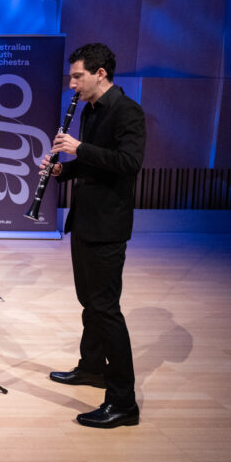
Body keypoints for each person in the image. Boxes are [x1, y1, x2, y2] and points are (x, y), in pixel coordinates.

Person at [43, 42, 145, 429]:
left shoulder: (127, 111)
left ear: (100, 73)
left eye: (77, 76)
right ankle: (91, 367)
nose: (72, 84)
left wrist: (79, 148)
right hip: (84, 219)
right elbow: (90, 165)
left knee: (105, 308)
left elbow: (129, 164)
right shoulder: (90, 109)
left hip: (107, 225)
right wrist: (62, 171)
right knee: (89, 301)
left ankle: (123, 402)